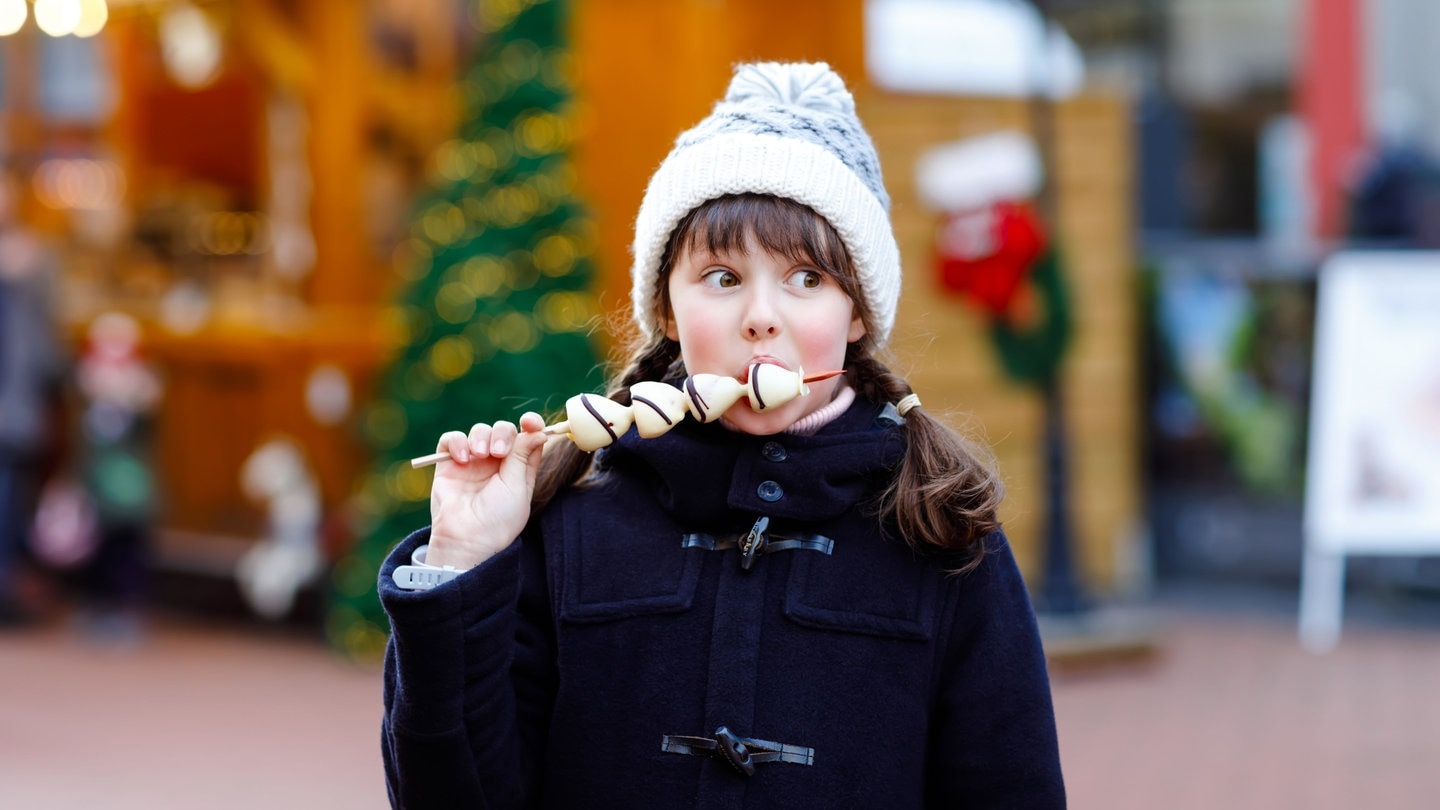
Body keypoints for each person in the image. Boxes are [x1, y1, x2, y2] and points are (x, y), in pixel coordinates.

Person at [379, 62, 1065, 808]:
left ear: (857, 315)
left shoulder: (942, 532)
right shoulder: (568, 524)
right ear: (668, 312)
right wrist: (459, 566)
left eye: (808, 278)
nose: (761, 316)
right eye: (722, 277)